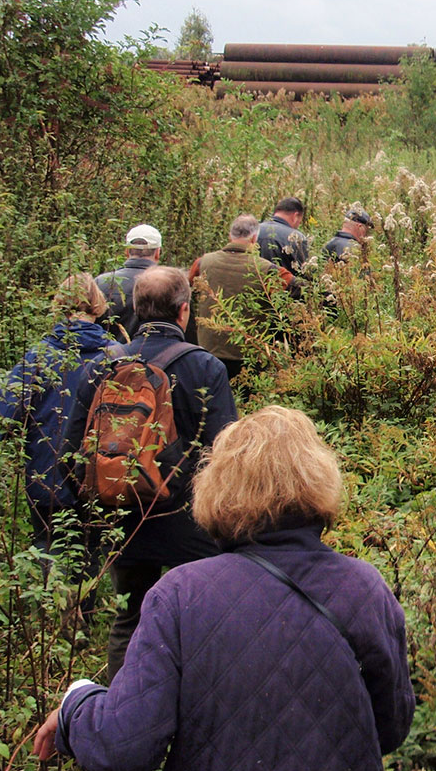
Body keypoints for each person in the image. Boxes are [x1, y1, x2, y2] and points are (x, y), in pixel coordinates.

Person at [34, 406, 415, 771]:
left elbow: (123, 750)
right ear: (318, 479)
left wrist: (76, 703)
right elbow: (390, 727)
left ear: (217, 487)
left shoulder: (180, 594)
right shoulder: (364, 587)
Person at [63, 267, 237, 678]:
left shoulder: (103, 365)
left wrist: (99, 504)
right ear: (183, 311)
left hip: (123, 511)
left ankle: (123, 711)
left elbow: (73, 448)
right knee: (193, 617)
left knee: (130, 619)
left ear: (137, 310)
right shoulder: (205, 367)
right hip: (189, 521)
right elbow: (224, 452)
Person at [0, 274, 115, 601]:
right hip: (99, 476)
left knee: (47, 548)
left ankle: (47, 622)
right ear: (97, 306)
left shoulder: (38, 355)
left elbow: (0, 419)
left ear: (60, 304)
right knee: (89, 551)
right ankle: (82, 626)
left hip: (45, 475)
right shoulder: (116, 356)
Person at [189, 214, 296, 381]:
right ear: (254, 239)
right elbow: (299, 291)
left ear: (229, 236)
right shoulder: (269, 270)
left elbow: (186, 293)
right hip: (248, 358)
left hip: (207, 353)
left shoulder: (202, 262)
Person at [96, 224, 162, 341]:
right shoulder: (169, 285)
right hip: (154, 358)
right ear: (157, 253)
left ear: (126, 252)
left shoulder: (101, 283)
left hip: (108, 357)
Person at [257, 196, 309, 275]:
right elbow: (304, 272)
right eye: (299, 221)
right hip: (283, 285)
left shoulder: (253, 230)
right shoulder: (296, 237)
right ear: (295, 216)